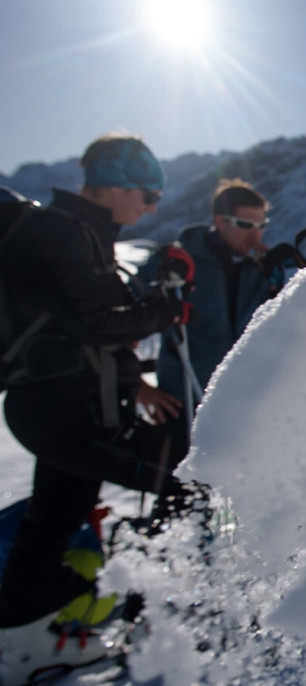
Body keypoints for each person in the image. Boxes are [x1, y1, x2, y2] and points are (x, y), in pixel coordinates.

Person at [0, 135, 200, 630]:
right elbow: (101, 323)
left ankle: (29, 602)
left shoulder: (75, 233)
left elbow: (89, 328)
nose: (152, 205)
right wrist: (171, 307)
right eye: (147, 194)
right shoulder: (64, 232)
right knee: (187, 472)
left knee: (55, 518)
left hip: (58, 411)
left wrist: (138, 381)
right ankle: (150, 597)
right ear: (113, 185)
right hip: (71, 416)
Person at [139, 178, 279, 435]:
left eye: (262, 225)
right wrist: (135, 385)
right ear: (219, 221)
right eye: (245, 225)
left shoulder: (256, 271)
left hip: (243, 408)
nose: (256, 235)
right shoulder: (176, 263)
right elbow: (115, 317)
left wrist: (276, 289)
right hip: (183, 405)